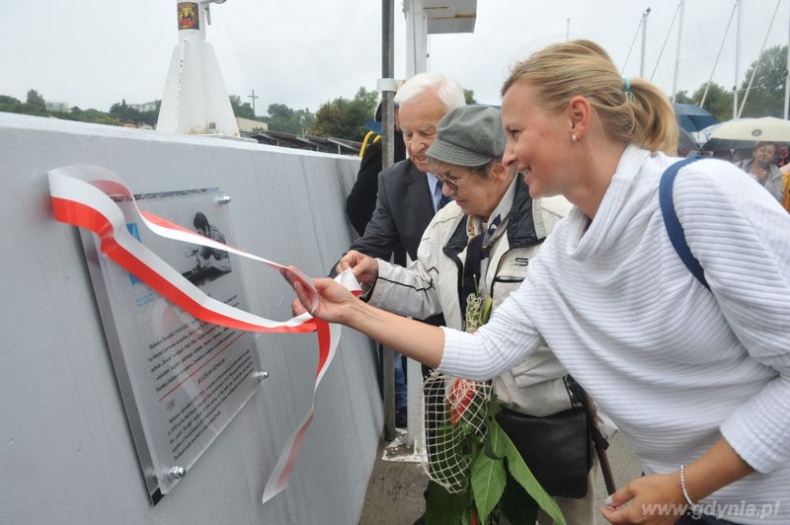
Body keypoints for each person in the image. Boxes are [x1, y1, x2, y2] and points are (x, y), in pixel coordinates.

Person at [287, 39, 790, 525]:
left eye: (515, 133)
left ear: (576, 118)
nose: (504, 157)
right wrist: (351, 311)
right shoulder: (570, 247)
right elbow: (484, 353)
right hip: (679, 498)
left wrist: (684, 485)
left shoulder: (700, 197)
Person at [342, 104, 596, 523]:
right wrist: (377, 279)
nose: (444, 192)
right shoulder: (447, 224)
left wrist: (598, 420)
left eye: (452, 179)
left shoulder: (557, 226)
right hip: (471, 419)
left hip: (548, 421)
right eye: (440, 179)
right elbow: (426, 289)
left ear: (498, 169)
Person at [335, 72, 466, 426]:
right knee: (442, 429)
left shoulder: (492, 173)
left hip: (491, 328)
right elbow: (374, 240)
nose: (415, 145)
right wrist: (348, 268)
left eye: (427, 132)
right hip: (433, 333)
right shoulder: (393, 182)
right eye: (407, 134)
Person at [345, 102, 407, 238]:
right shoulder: (380, 152)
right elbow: (358, 205)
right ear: (395, 115)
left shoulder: (380, 150)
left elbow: (356, 206)